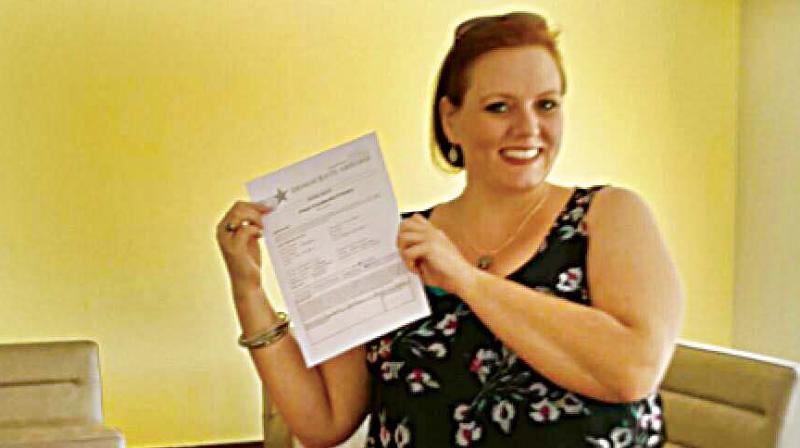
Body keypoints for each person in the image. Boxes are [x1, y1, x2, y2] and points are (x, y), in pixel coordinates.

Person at [216, 11, 684, 448]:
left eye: (546, 105)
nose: (529, 128)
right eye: (499, 107)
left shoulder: (608, 214)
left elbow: (632, 370)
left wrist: (467, 280)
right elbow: (324, 422)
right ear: (450, 119)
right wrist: (248, 290)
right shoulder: (390, 240)